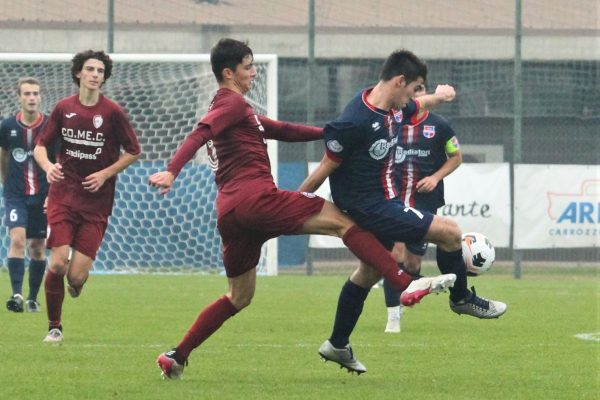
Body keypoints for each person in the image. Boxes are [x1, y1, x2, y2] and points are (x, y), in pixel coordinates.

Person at [148, 38, 455, 379]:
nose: (253, 72)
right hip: (257, 200)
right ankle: (401, 281)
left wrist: (334, 132)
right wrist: (172, 170)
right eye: (248, 67)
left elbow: (282, 130)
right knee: (342, 221)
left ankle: (177, 355)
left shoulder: (239, 111)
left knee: (239, 296)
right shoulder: (230, 106)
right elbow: (200, 132)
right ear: (228, 72)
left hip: (231, 214)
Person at [299, 49, 507, 371]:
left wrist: (438, 96)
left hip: (383, 202)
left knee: (367, 273)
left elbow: (417, 106)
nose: (414, 96)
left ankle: (338, 344)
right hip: (372, 206)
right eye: (414, 88)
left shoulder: (394, 106)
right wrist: (291, 202)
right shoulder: (355, 121)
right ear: (399, 81)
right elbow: (325, 168)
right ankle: (461, 298)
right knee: (450, 233)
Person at [33, 50, 141, 343]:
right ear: (79, 73)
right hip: (63, 197)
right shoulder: (63, 108)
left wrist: (106, 173)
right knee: (56, 263)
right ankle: (54, 326)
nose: (95, 74)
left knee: (76, 276)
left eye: (100, 71)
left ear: (104, 77)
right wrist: (48, 167)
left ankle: (77, 284)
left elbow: (133, 151)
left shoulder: (113, 113)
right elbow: (40, 146)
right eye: (90, 69)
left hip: (96, 202)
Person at [382, 84, 463, 333]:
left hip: (424, 201)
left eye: (421, 89)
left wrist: (436, 177)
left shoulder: (439, 126)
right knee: (394, 256)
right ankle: (393, 316)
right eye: (413, 90)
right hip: (393, 198)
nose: (417, 95)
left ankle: (407, 294)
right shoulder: (393, 121)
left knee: (413, 264)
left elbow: (456, 156)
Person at [0, 77, 49, 313]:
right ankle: (17, 295)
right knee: (17, 239)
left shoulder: (50, 126)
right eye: (27, 94)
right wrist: (5, 182)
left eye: (35, 94)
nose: (31, 98)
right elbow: (2, 156)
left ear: (40, 97)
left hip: (42, 195)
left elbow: (57, 161)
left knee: (38, 247)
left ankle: (32, 298)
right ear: (19, 98)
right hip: (16, 195)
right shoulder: (7, 126)